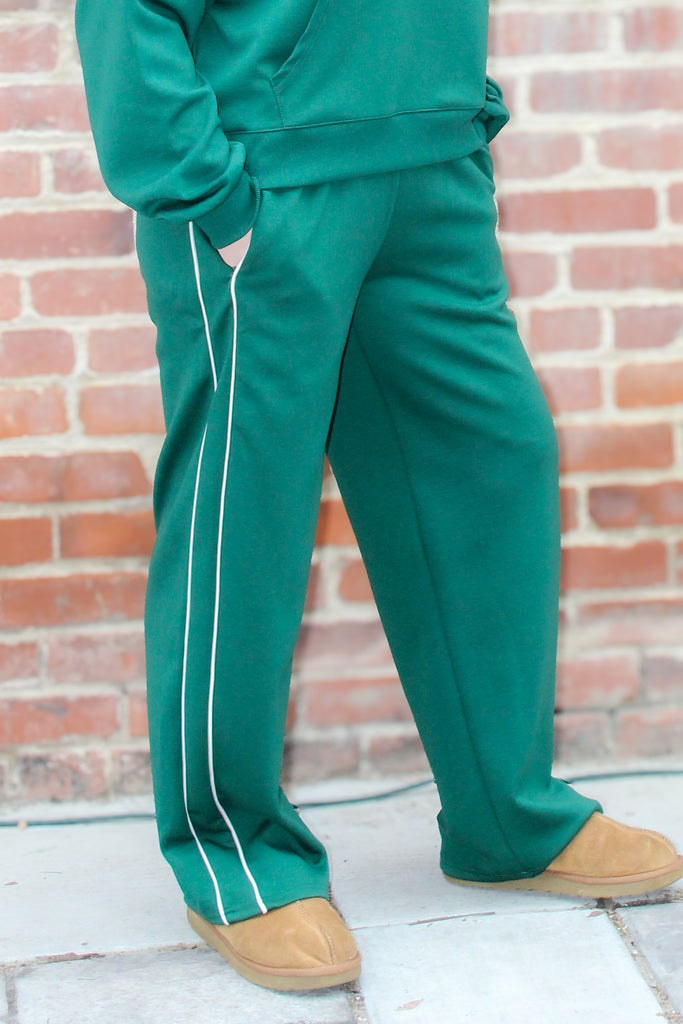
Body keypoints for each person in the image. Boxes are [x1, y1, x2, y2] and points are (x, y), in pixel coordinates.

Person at [74, 0, 683, 993]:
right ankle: (237, 859)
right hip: (267, 178)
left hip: (429, 163)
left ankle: (506, 818)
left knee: (494, 461)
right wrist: (204, 192)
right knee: (244, 517)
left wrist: (462, 110)